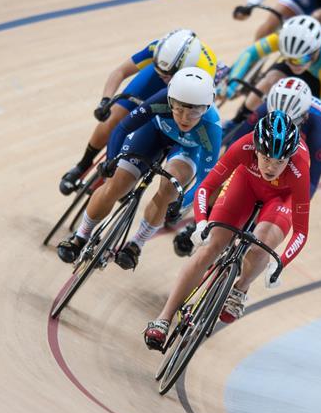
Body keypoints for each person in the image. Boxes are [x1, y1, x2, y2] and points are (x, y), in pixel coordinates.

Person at [143, 110, 311, 349]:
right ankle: (163, 319)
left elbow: (301, 232)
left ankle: (240, 289)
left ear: (290, 157)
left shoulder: (299, 167)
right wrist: (201, 223)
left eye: (279, 161)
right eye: (266, 158)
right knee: (210, 246)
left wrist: (280, 263)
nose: (271, 167)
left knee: (261, 245)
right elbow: (205, 187)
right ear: (256, 149)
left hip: (280, 199)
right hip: (246, 184)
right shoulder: (243, 146)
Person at [56, 68, 221, 270]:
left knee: (169, 190)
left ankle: (136, 244)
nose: (185, 118)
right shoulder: (161, 99)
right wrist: (111, 161)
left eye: (194, 111)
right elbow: (123, 128)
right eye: (178, 109)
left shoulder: (212, 127)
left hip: (186, 149)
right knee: (116, 184)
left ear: (207, 107)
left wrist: (181, 203)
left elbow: (206, 181)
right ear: (170, 101)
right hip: (153, 132)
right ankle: (81, 235)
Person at [172, 77, 321, 256]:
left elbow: (312, 182)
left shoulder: (319, 127)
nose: (281, 126)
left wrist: (294, 206)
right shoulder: (265, 109)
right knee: (227, 173)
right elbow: (236, 142)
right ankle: (197, 224)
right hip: (261, 161)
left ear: (304, 118)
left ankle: (246, 240)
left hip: (288, 169)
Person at [58, 29, 219, 195]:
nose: (163, 77)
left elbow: (199, 112)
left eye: (166, 76)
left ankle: (135, 174)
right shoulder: (160, 50)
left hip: (185, 90)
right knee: (115, 115)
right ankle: (82, 165)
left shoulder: (203, 73)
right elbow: (120, 72)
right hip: (164, 77)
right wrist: (105, 101)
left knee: (168, 123)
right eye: (160, 72)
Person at [221, 15, 321, 137]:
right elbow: (250, 53)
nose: (293, 64)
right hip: (306, 60)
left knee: (305, 110)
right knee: (270, 79)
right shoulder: (282, 38)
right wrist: (232, 85)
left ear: (315, 51)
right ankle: (237, 121)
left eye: (299, 60)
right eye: (287, 57)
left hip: (320, 76)